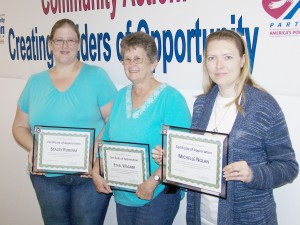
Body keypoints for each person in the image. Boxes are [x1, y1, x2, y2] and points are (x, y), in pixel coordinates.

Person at [153, 29, 299, 225]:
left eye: (227, 57)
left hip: (247, 219)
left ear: (242, 60)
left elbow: (288, 167)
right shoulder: (201, 104)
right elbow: (198, 161)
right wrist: (173, 160)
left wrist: (252, 173)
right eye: (212, 57)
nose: (219, 65)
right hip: (201, 216)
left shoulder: (263, 106)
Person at [12, 18, 117, 225]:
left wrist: (94, 150)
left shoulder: (97, 76)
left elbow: (114, 121)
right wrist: (34, 148)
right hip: (46, 177)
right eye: (59, 40)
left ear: (79, 44)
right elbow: (19, 126)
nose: (65, 46)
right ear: (50, 44)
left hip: (89, 175)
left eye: (71, 40)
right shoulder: (35, 82)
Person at [92, 31, 191, 225]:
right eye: (127, 59)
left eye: (138, 59)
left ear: (153, 62)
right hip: (123, 193)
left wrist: (153, 181)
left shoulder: (171, 99)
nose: (131, 65)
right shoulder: (120, 96)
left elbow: (182, 151)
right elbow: (107, 139)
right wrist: (96, 171)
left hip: (156, 193)